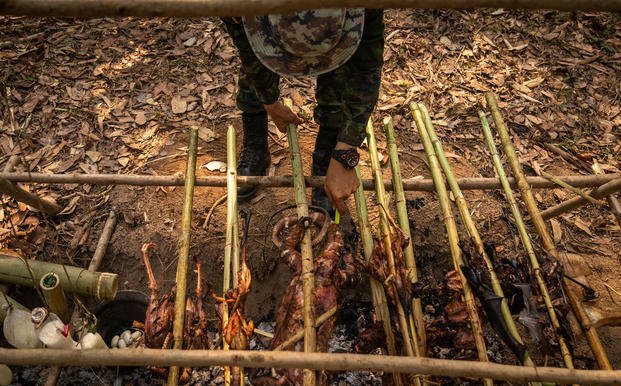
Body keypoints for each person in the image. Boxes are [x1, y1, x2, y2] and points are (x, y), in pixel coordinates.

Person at [222, 9, 384, 215]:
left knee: (339, 76)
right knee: (256, 63)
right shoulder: (236, 6)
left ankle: (327, 159)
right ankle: (257, 147)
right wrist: (269, 102)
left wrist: (345, 152)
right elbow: (249, 53)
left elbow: (366, 72)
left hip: (339, 32)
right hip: (257, 19)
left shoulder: (367, 7)